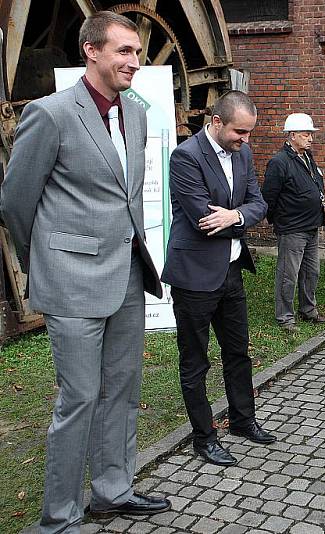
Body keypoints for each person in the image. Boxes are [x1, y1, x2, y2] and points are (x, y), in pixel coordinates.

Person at [0, 11, 171, 531]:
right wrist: (47, 262)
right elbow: (14, 201)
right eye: (123, 51)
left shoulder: (136, 114)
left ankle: (112, 490)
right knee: (78, 400)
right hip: (72, 284)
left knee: (122, 390)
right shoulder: (50, 114)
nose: (134, 61)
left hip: (126, 276)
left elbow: (123, 197)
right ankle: (60, 515)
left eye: (137, 53)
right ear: (91, 51)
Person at [161, 91, 272, 467]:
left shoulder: (244, 154)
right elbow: (201, 219)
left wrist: (234, 216)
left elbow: (260, 203)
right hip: (194, 277)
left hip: (231, 271)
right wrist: (236, 218)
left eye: (250, 133)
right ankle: (203, 438)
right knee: (195, 361)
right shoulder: (186, 157)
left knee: (238, 352)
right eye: (240, 132)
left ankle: (243, 421)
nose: (246, 140)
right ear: (217, 122)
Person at [262, 113, 325, 331]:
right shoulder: (279, 162)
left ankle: (308, 309)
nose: (310, 138)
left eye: (311, 134)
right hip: (292, 228)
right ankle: (285, 317)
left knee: (312, 271)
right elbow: (269, 196)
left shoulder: (306, 157)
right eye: (305, 134)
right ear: (292, 135)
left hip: (311, 225)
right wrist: (275, 220)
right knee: (287, 274)